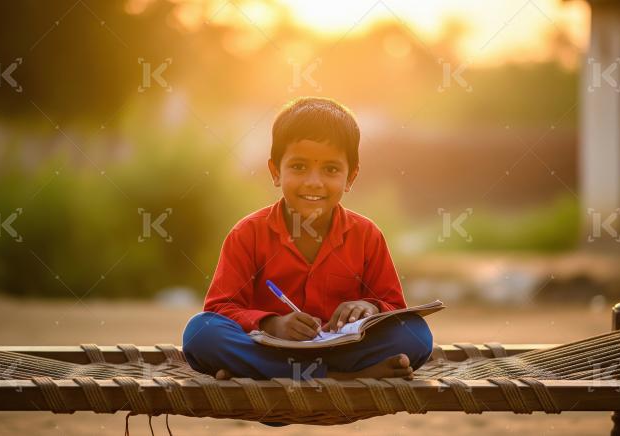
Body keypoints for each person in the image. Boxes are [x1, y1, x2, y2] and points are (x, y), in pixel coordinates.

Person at [182, 97, 433, 382]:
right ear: (276, 172)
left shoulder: (366, 235)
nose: (314, 182)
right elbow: (220, 309)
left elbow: (393, 307)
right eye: (299, 167)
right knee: (201, 333)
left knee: (416, 334)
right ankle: (340, 377)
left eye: (331, 169)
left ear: (351, 177)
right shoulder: (247, 233)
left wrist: (370, 307)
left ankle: (262, 371)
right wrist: (272, 324)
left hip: (342, 349)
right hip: (270, 348)